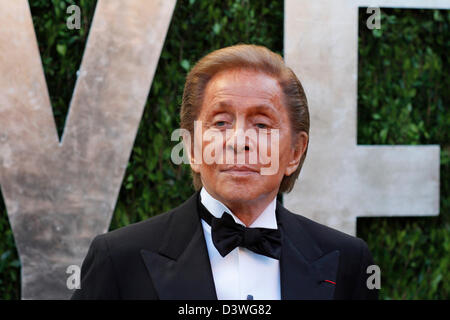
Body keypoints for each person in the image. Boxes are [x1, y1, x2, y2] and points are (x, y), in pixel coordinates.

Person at [71, 44, 377, 300]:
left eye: (261, 124)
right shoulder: (118, 259)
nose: (239, 141)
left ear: (295, 153)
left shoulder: (347, 260)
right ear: (191, 148)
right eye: (220, 123)